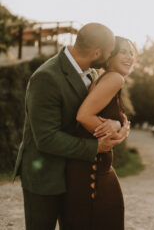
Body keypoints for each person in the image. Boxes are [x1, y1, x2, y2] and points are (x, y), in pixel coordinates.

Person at [13, 23, 130, 230]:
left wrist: (116, 123)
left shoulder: (93, 73)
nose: (112, 55)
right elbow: (46, 138)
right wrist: (96, 147)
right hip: (45, 175)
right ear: (97, 52)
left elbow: (97, 110)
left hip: (76, 173)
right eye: (111, 51)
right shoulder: (46, 77)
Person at [64, 36, 137, 230]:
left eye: (131, 52)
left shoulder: (105, 78)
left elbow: (101, 114)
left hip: (95, 169)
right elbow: (83, 116)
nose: (129, 56)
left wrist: (118, 125)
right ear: (109, 56)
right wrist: (117, 134)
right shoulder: (114, 78)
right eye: (123, 51)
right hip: (92, 174)